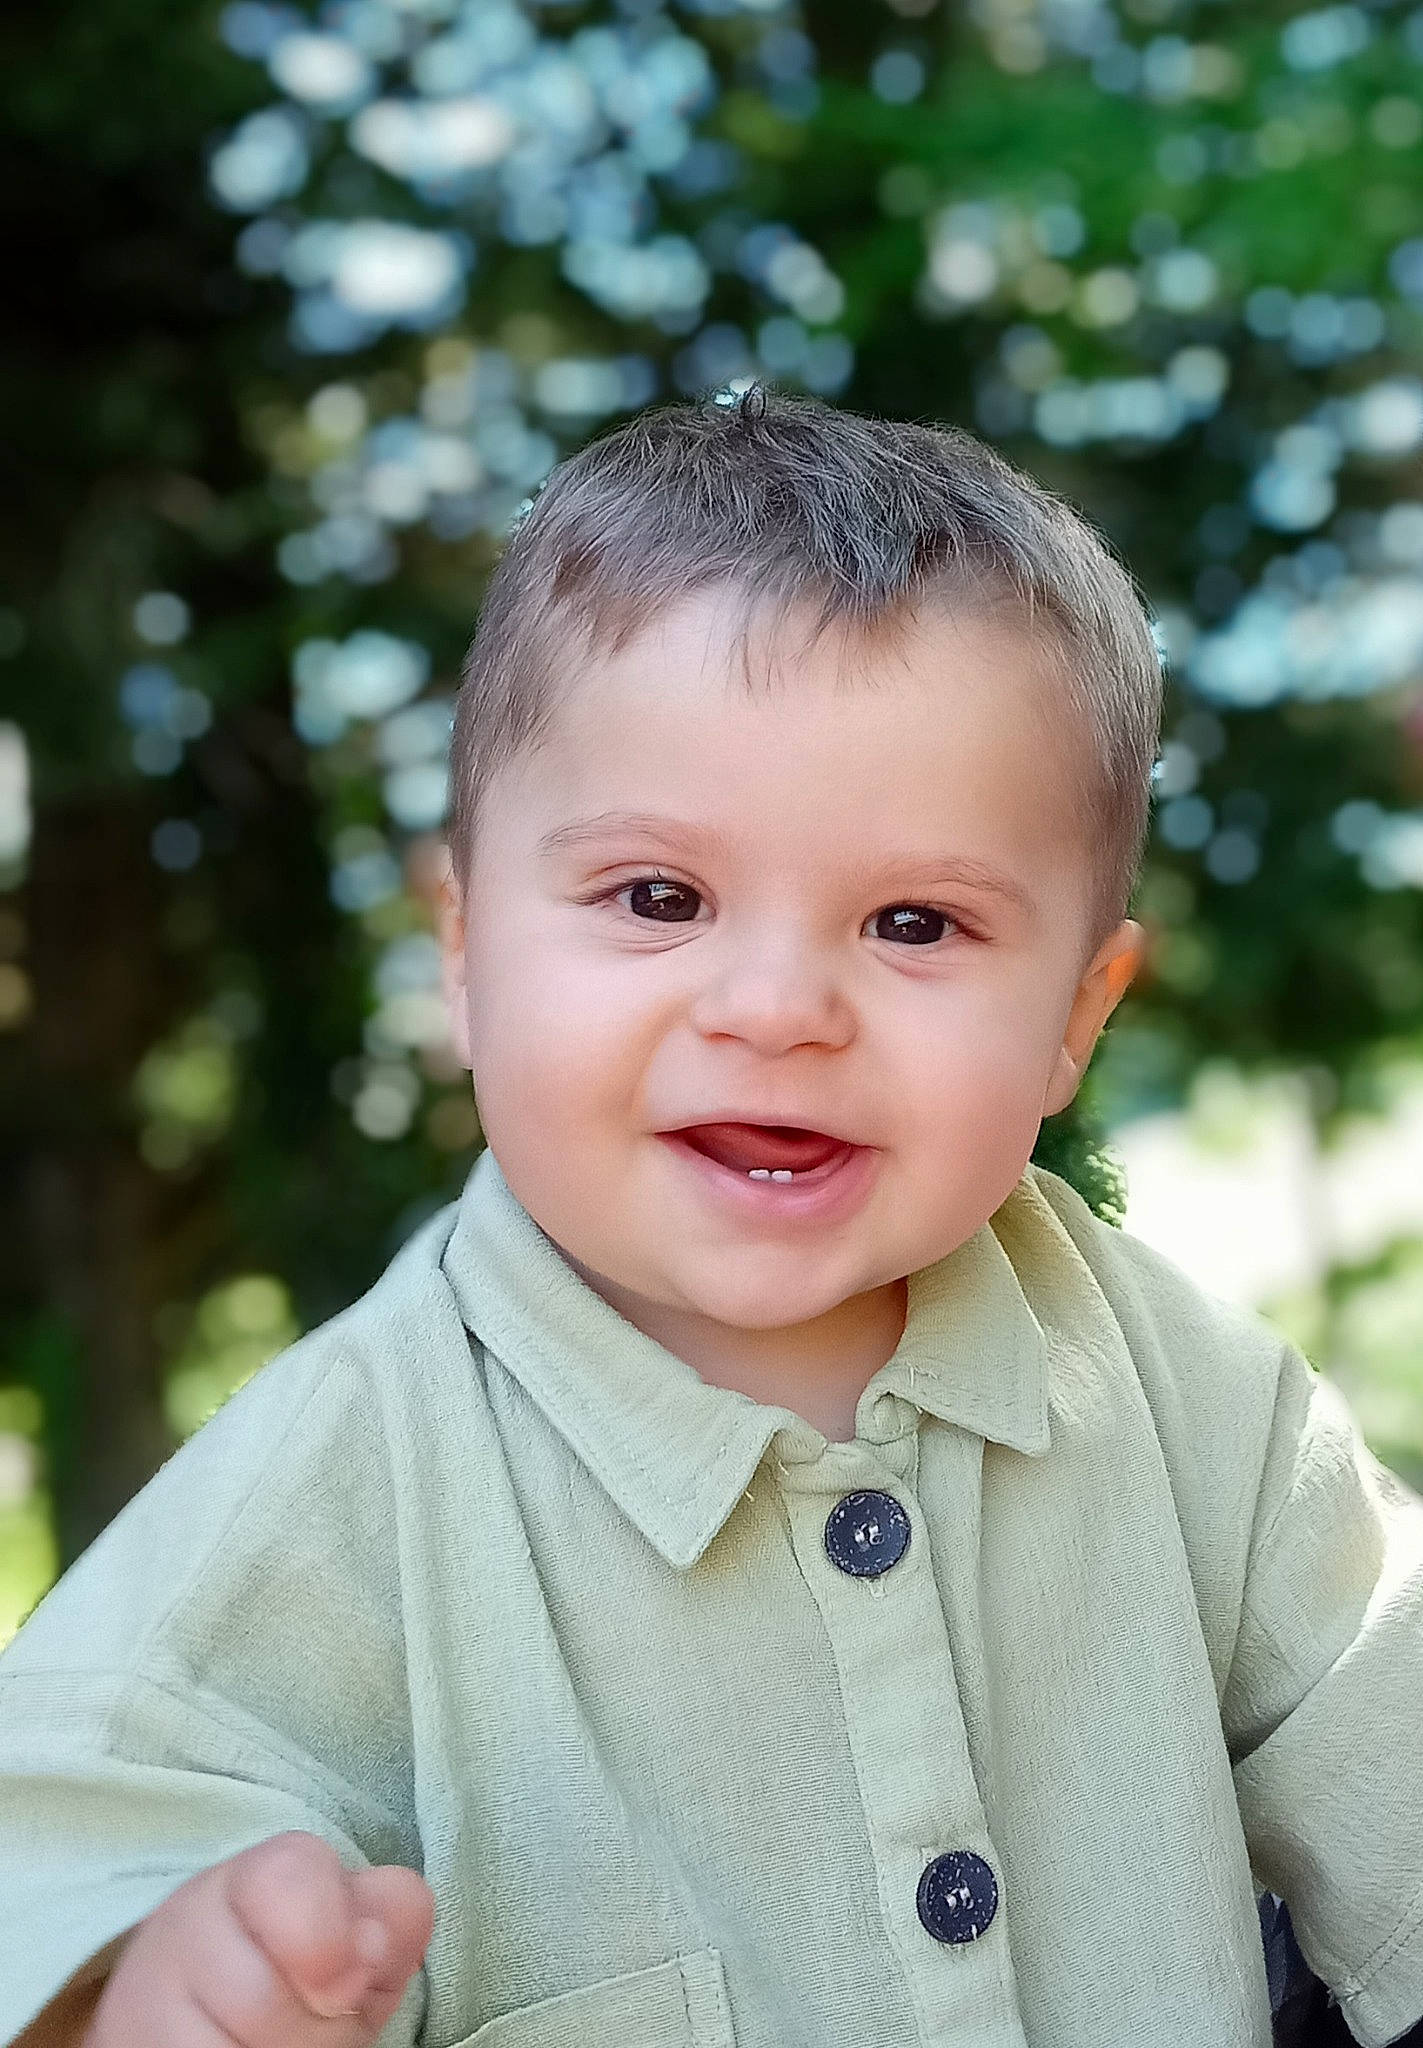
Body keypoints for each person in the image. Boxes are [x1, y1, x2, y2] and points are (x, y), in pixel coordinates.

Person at [2, 389, 1420, 2048]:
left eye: (914, 922)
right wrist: (142, 1992)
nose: (776, 1007)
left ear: (1076, 1022)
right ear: (461, 946)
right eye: (659, 899)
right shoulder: (340, 1486)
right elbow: (69, 1834)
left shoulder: (1185, 1399)